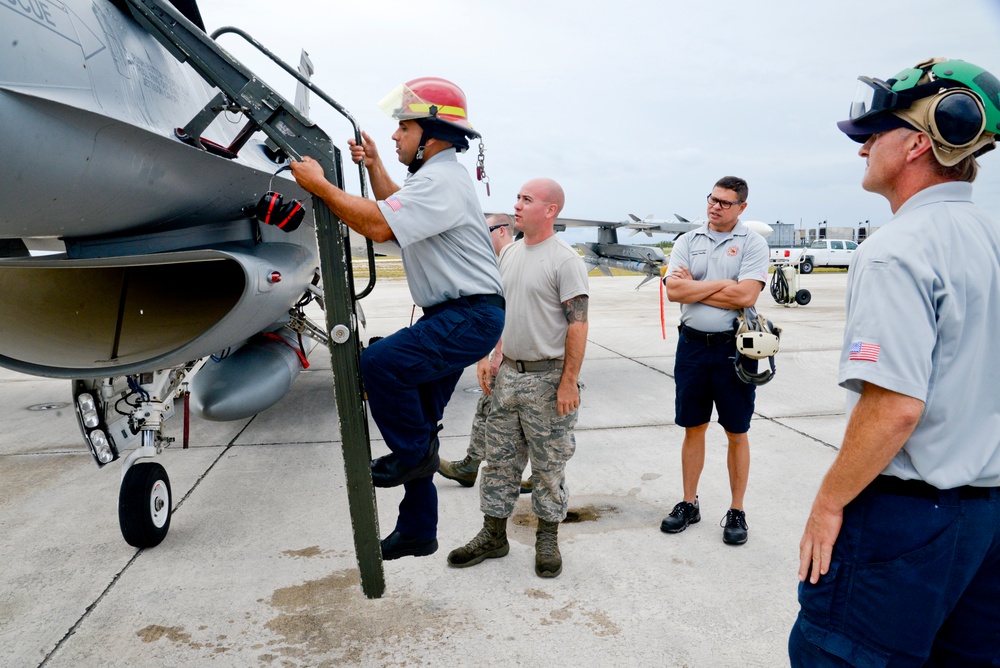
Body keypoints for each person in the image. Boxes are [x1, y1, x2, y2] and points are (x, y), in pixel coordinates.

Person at [790, 57, 1000, 666]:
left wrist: (829, 502)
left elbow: (894, 408)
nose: (862, 151)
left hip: (907, 523)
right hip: (986, 521)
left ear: (914, 144)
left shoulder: (895, 250)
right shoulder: (990, 239)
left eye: (873, 135)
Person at [289, 77, 505, 561]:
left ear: (430, 133)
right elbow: (393, 211)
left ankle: (412, 459)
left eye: (402, 128)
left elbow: (378, 225)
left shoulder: (441, 180)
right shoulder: (435, 178)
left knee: (379, 364)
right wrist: (375, 166)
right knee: (420, 422)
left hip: (466, 315)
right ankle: (418, 529)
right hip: (462, 314)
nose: (394, 135)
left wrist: (320, 186)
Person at [447, 178, 589, 578]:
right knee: (499, 462)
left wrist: (568, 381)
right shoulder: (508, 253)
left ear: (550, 210)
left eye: (526, 200)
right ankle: (493, 535)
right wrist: (489, 357)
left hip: (548, 380)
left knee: (548, 466)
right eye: (518, 198)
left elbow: (577, 324)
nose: (517, 206)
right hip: (508, 375)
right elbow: (500, 309)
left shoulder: (565, 260)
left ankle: (547, 538)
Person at [660, 176, 769, 545]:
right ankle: (689, 503)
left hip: (733, 350)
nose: (715, 206)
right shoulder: (688, 241)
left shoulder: (752, 243)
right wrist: (725, 286)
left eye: (724, 202)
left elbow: (747, 294)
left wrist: (698, 288)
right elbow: (674, 290)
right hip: (691, 348)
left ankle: (736, 510)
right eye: (712, 199)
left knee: (737, 431)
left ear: (741, 207)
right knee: (693, 427)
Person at [438, 214, 532, 495]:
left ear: (501, 231)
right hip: (505, 353)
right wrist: (485, 355)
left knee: (527, 420)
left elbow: (511, 313)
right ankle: (470, 465)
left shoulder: (516, 260)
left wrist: (495, 354)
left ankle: (542, 476)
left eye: (485, 230)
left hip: (521, 356)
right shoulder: (499, 262)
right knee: (486, 408)